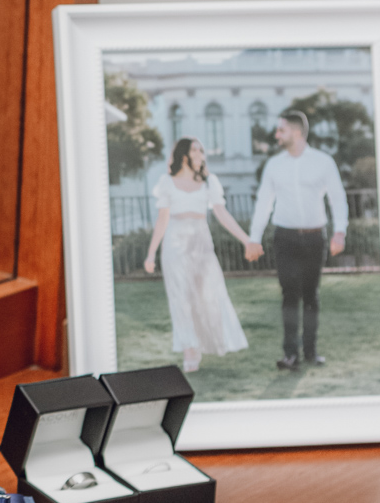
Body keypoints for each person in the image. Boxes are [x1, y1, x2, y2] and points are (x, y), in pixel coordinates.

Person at [243, 110, 349, 371]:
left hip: (315, 238)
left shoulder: (323, 162)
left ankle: (310, 351)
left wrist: (340, 231)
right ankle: (290, 354)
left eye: (281, 130)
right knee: (289, 294)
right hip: (285, 238)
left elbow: (337, 197)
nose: (277, 135)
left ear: (297, 132)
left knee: (311, 295)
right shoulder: (274, 165)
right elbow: (263, 203)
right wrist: (254, 238)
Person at [142, 138, 250, 372]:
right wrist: (151, 254)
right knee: (180, 297)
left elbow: (222, 214)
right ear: (184, 156)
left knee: (208, 294)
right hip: (174, 242)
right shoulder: (167, 182)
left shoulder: (210, 182)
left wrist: (246, 239)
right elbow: (162, 220)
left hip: (201, 242)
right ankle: (189, 349)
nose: (201, 154)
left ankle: (207, 341)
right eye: (195, 150)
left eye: (201, 150)